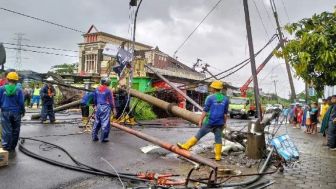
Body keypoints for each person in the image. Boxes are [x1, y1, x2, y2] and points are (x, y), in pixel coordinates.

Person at [177, 80, 229, 161]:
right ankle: (218, 156)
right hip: (219, 122)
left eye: (211, 87)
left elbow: (205, 110)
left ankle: (186, 146)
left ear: (214, 88)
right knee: (218, 139)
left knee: (199, 135)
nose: (210, 88)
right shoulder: (225, 99)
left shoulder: (210, 98)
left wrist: (200, 120)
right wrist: (224, 123)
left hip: (210, 121)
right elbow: (225, 113)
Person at [0, 72, 25, 152]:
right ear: (16, 80)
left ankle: (6, 146)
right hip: (16, 112)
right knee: (16, 129)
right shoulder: (19, 90)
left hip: (5, 111)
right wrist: (23, 111)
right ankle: (12, 146)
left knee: (6, 130)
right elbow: (21, 102)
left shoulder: (2, 89)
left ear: (7, 79)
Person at [92, 78, 116, 142]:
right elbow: (111, 101)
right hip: (105, 107)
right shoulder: (108, 90)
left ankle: (94, 136)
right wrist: (113, 109)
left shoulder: (97, 89)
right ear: (106, 83)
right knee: (105, 122)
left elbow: (94, 99)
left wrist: (95, 106)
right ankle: (104, 138)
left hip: (98, 106)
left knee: (97, 122)